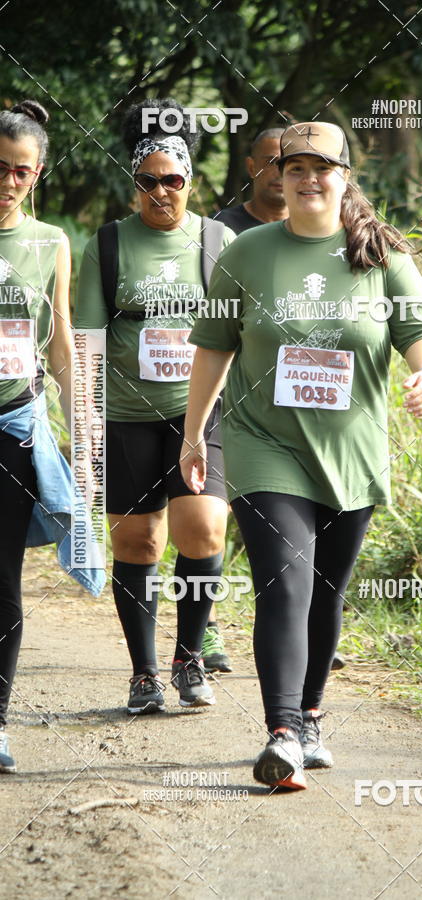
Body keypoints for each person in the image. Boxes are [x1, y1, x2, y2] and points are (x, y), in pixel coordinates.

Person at [181, 121, 422, 789]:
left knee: (326, 592)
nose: (306, 178)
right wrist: (193, 434)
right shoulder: (247, 253)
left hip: (350, 451)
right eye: (293, 168)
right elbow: (214, 346)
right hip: (264, 443)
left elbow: (421, 330)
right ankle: (281, 730)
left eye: (320, 168)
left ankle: (310, 714)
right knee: (286, 580)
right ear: (278, 176)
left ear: (343, 176)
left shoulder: (379, 251)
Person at [74, 99, 235, 716]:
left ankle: (189, 655)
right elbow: (86, 341)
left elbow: (241, 330)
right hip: (126, 416)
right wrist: (84, 430)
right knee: (138, 542)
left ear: (190, 183)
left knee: (203, 528)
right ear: (134, 183)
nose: (162, 192)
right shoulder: (110, 243)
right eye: (149, 181)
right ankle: (144, 673)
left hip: (202, 413)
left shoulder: (219, 241)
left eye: (173, 181)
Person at [0, 100, 77, 772]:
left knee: (2, 580)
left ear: (39, 173)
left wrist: (82, 429)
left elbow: (59, 341)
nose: (8, 181)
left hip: (15, 428)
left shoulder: (51, 242)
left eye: (21, 172)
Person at [199, 127, 289, 674]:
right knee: (218, 518)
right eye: (273, 161)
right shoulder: (220, 232)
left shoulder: (323, 230)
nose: (283, 171)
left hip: (295, 402)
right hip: (228, 399)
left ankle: (299, 623)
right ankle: (204, 628)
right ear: (251, 166)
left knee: (292, 517)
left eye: (296, 162)